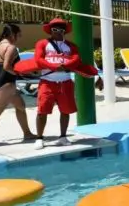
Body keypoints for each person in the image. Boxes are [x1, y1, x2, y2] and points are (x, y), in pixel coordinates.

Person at [32, 18, 100, 149]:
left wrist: (64, 65)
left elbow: (76, 59)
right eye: (55, 30)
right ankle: (39, 138)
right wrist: (53, 66)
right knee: (42, 111)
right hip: (47, 82)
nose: (58, 32)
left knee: (65, 110)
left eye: (61, 30)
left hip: (65, 82)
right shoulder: (42, 43)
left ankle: (63, 136)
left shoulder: (71, 46)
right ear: (50, 30)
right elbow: (38, 59)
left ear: (65, 31)